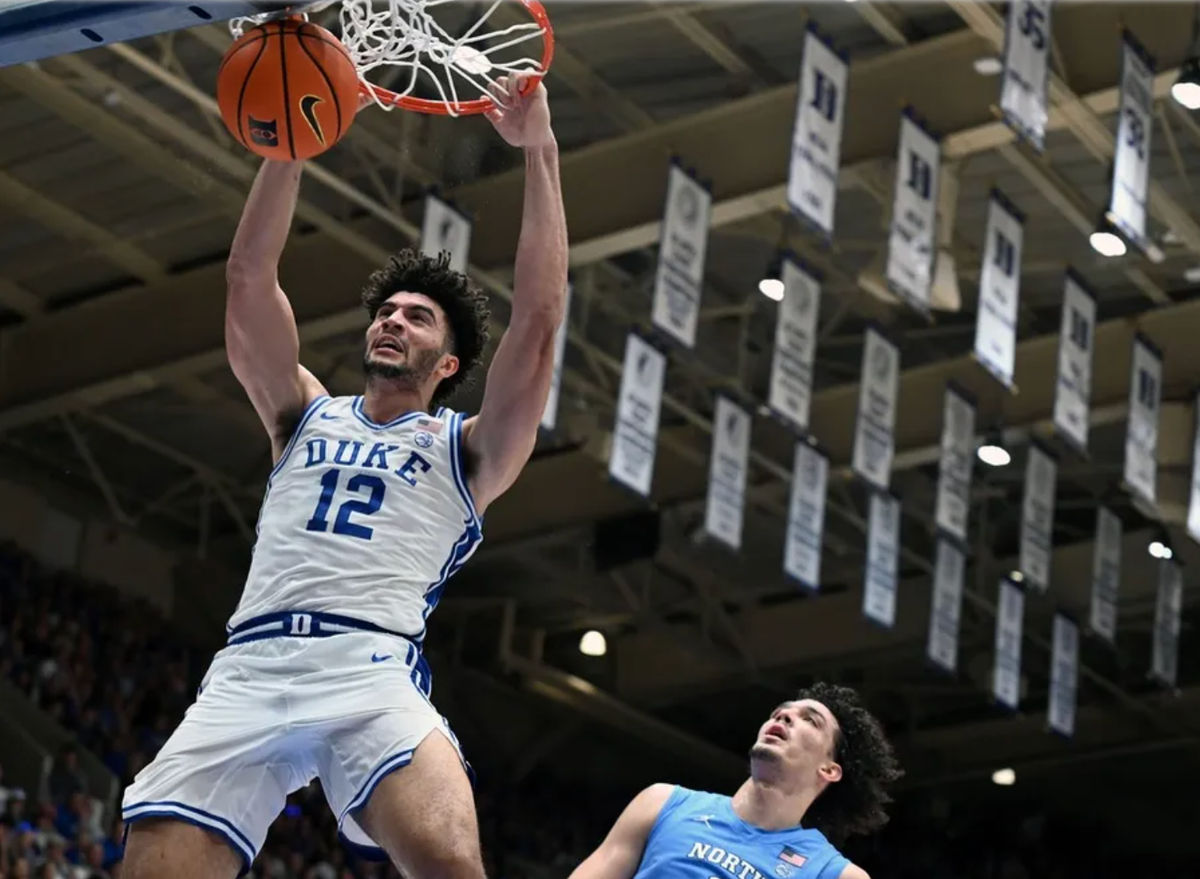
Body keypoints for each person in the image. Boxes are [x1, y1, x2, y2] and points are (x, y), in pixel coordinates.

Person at [119, 71, 567, 879]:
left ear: (449, 362)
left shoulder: (469, 448)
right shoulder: (302, 412)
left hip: (369, 669)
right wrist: (292, 141)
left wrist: (541, 151)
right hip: (250, 664)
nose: (393, 319)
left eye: (417, 317)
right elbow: (248, 278)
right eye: (386, 311)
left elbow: (537, 321)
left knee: (450, 863)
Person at [569, 683, 901, 879]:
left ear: (829, 770)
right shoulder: (661, 803)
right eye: (779, 712)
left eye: (810, 721)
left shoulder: (833, 873)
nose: (784, 715)